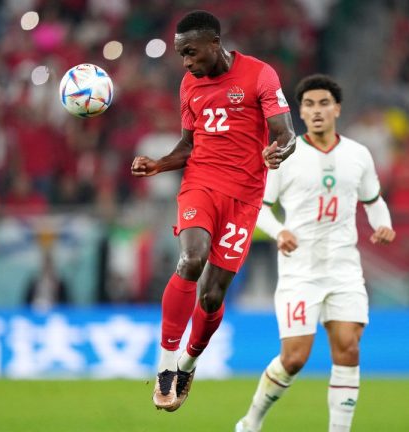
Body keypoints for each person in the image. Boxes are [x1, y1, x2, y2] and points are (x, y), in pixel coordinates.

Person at [130, 10, 297, 412]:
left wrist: (280, 151)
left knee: (211, 295)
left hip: (244, 197)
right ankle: (166, 366)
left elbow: (286, 133)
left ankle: (188, 363)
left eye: (190, 53)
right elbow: (189, 145)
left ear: (213, 44)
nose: (185, 63)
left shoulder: (259, 75)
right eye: (180, 55)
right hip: (200, 185)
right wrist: (158, 164)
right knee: (191, 258)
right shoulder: (190, 84)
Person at [235, 75, 396, 432]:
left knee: (348, 348)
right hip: (300, 271)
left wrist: (382, 224)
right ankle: (251, 421)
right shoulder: (284, 155)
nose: (317, 110)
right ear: (301, 113)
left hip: (344, 268)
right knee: (294, 359)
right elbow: (258, 206)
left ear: (337, 109)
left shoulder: (358, 155)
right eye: (309, 105)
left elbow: (374, 200)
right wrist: (280, 231)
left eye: (324, 103)